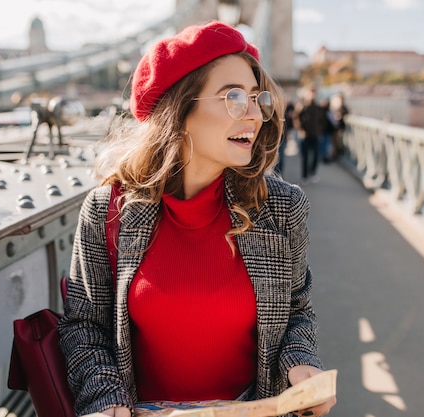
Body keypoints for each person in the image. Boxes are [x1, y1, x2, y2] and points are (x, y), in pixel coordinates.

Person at [58, 21, 336, 417]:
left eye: (257, 99)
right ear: (181, 110)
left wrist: (301, 364)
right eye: (234, 97)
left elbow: (296, 311)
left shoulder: (282, 208)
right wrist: (106, 400)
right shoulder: (107, 209)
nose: (255, 115)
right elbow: (85, 327)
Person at [294, 86, 325, 183]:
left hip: (315, 135)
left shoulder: (318, 107)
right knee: (305, 156)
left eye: (313, 93)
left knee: (316, 155)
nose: (312, 95)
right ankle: (304, 176)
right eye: (310, 93)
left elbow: (322, 120)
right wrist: (300, 130)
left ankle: (313, 173)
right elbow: (296, 118)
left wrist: (320, 131)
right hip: (305, 135)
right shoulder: (301, 105)